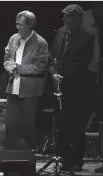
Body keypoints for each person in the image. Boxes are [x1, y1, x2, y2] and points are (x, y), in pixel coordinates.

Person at [49, 4, 95, 172]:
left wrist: (63, 77)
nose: (64, 19)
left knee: (75, 125)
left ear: (77, 18)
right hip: (59, 87)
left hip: (76, 88)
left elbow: (82, 64)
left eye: (67, 17)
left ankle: (77, 159)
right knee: (61, 124)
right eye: (64, 16)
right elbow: (54, 56)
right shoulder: (61, 32)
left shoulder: (88, 37)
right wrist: (53, 73)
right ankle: (63, 158)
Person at [3, 10, 49, 150]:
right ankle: (9, 161)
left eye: (21, 24)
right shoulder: (13, 39)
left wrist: (19, 68)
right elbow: (7, 57)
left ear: (30, 25)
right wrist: (8, 65)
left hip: (30, 92)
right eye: (17, 24)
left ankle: (27, 161)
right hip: (13, 89)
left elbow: (41, 67)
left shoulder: (41, 43)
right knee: (10, 126)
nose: (17, 27)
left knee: (27, 127)